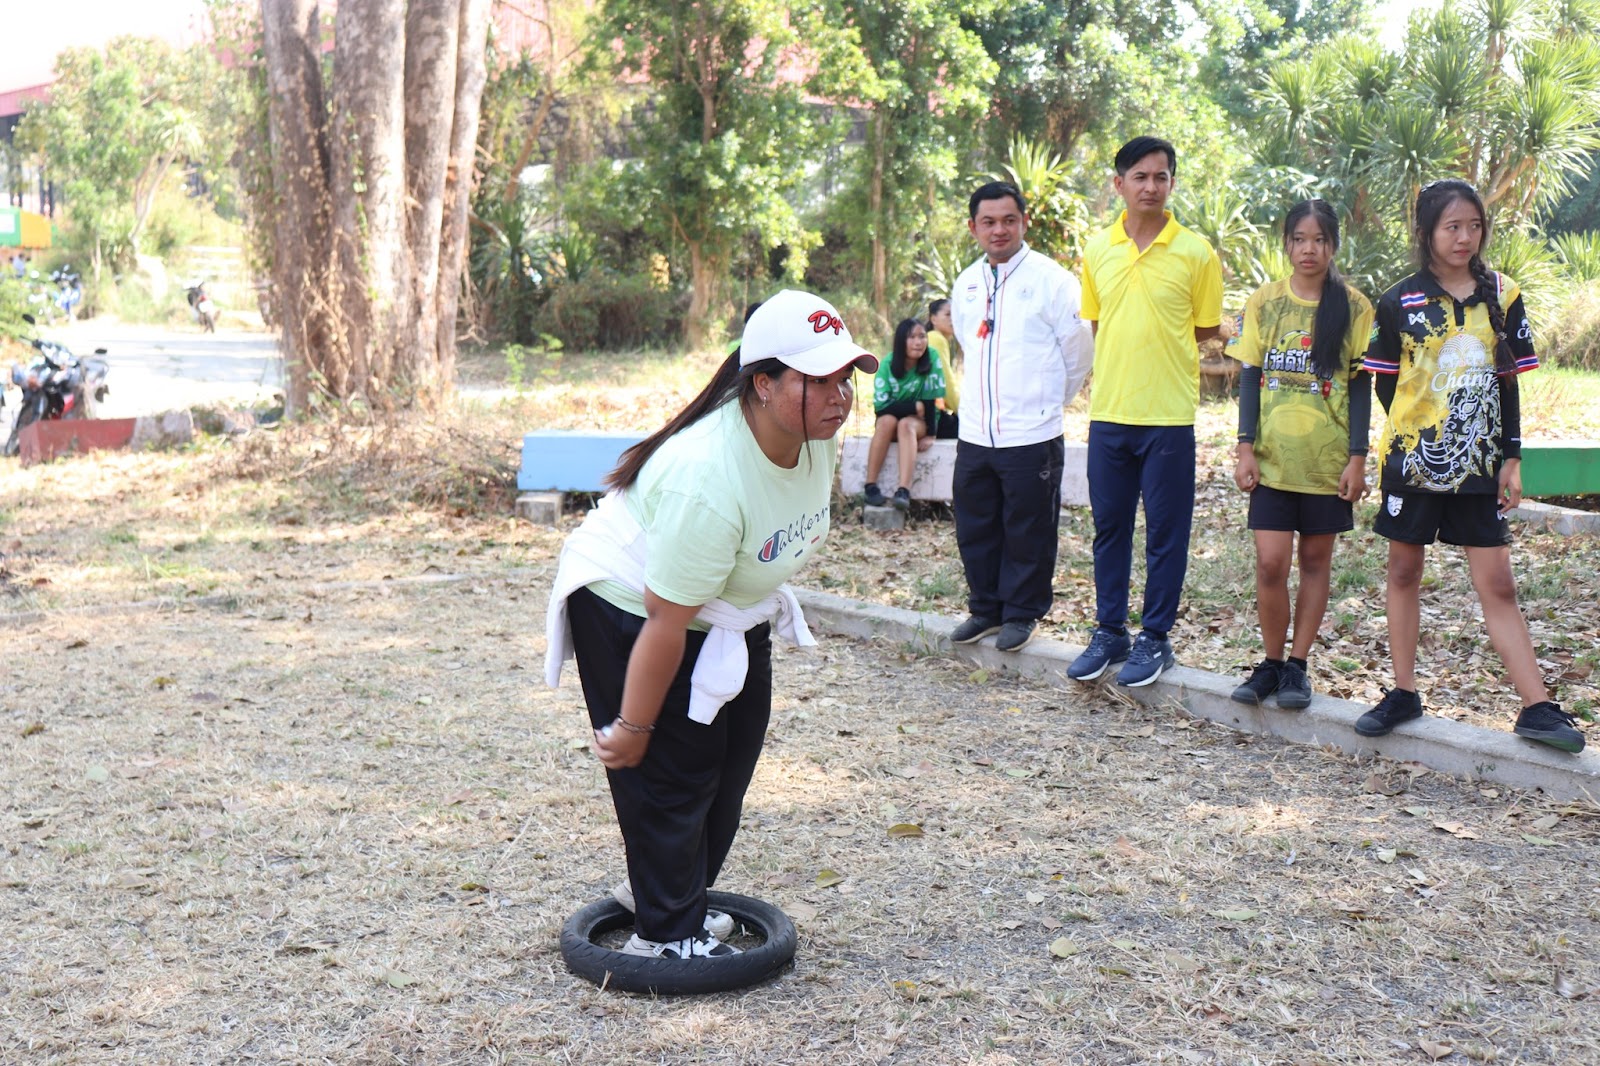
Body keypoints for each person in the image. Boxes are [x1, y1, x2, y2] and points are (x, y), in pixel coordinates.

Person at [544, 289, 880, 962]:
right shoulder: (706, 476)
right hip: (632, 606)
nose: (840, 396)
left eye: (845, 378)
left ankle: (667, 892)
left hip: (725, 609)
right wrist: (633, 725)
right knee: (676, 770)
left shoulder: (812, 438)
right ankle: (666, 937)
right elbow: (665, 621)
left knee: (731, 763)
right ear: (763, 383)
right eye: (819, 380)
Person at [1354, 178, 1584, 753]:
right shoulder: (1398, 300)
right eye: (1452, 227)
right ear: (1426, 232)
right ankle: (1403, 692)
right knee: (1403, 572)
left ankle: (1536, 707)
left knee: (1498, 582)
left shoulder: (1502, 293)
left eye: (1474, 226)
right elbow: (1385, 383)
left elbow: (1508, 384)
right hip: (1412, 464)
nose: (1464, 238)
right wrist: (1418, 429)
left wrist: (1511, 456)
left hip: (1482, 468)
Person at [1067, 136, 1223, 687]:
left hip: (1169, 417)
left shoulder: (1197, 253)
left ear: (1172, 183)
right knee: (1109, 528)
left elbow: (1206, 328)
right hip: (1110, 413)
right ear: (1119, 184)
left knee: (1166, 534)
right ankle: (1109, 631)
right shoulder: (1097, 250)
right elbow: (1098, 323)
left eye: (1161, 177)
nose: (1151, 186)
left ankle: (1155, 637)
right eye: (1140, 176)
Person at [1229, 200, 1374, 710]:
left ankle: (1297, 666)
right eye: (1299, 239)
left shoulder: (1355, 307)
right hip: (1272, 460)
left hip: (1326, 463)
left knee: (1315, 562)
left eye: (1319, 239)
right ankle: (1270, 662)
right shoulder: (1264, 302)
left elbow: (1360, 386)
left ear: (1333, 245)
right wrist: (1245, 447)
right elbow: (1249, 376)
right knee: (1271, 563)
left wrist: (1358, 458)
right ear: (1287, 244)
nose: (1308, 249)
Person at [948, 181, 1093, 653]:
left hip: (1032, 431)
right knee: (976, 525)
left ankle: (1021, 612)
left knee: (1028, 528)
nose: (999, 230)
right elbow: (968, 343)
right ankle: (985, 608)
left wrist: (1047, 401)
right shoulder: (967, 283)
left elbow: (1078, 352)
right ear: (973, 227)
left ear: (1024, 222)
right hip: (975, 432)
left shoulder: (1054, 281)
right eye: (988, 222)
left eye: (1009, 220)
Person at [863, 317, 947, 510]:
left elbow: (931, 400)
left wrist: (931, 434)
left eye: (922, 336)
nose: (918, 342)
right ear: (901, 340)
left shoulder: (932, 357)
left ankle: (903, 491)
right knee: (886, 421)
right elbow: (881, 407)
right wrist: (913, 406)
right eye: (912, 337)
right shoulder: (888, 364)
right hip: (891, 421)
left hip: (920, 422)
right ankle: (870, 486)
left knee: (905, 424)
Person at [926, 298, 961, 439]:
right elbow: (946, 382)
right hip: (928, 415)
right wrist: (962, 410)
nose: (953, 319)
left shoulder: (932, 338)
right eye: (948, 314)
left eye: (955, 314)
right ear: (933, 319)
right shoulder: (936, 339)